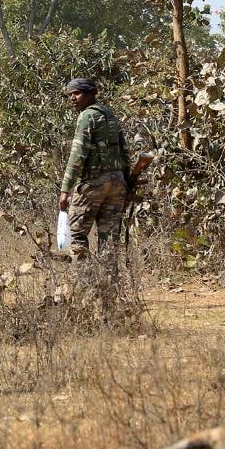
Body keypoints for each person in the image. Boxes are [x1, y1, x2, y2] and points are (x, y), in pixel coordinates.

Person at [57, 78, 129, 316]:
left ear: (90, 94)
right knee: (110, 241)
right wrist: (127, 183)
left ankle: (88, 290)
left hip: (94, 183)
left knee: (77, 235)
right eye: (70, 95)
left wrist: (66, 189)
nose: (72, 99)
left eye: (76, 94)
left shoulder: (87, 116)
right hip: (116, 183)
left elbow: (77, 155)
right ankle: (109, 301)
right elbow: (124, 150)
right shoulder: (110, 115)